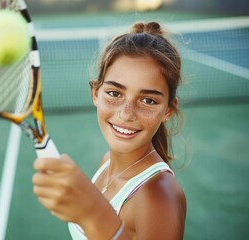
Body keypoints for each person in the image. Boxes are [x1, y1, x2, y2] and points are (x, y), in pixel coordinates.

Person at [32, 21, 187, 239]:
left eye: (148, 100)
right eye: (115, 93)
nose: (126, 113)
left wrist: (92, 213)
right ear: (95, 93)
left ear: (168, 110)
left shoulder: (159, 197)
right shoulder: (106, 162)